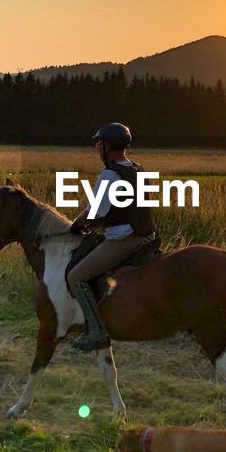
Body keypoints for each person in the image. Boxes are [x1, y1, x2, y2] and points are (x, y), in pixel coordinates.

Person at [66, 122, 157, 353]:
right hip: (147, 235)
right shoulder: (138, 169)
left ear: (109, 146)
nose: (97, 148)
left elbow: (95, 211)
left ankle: (96, 332)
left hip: (125, 239)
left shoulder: (110, 174)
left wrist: (77, 224)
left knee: (76, 276)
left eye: (99, 143)